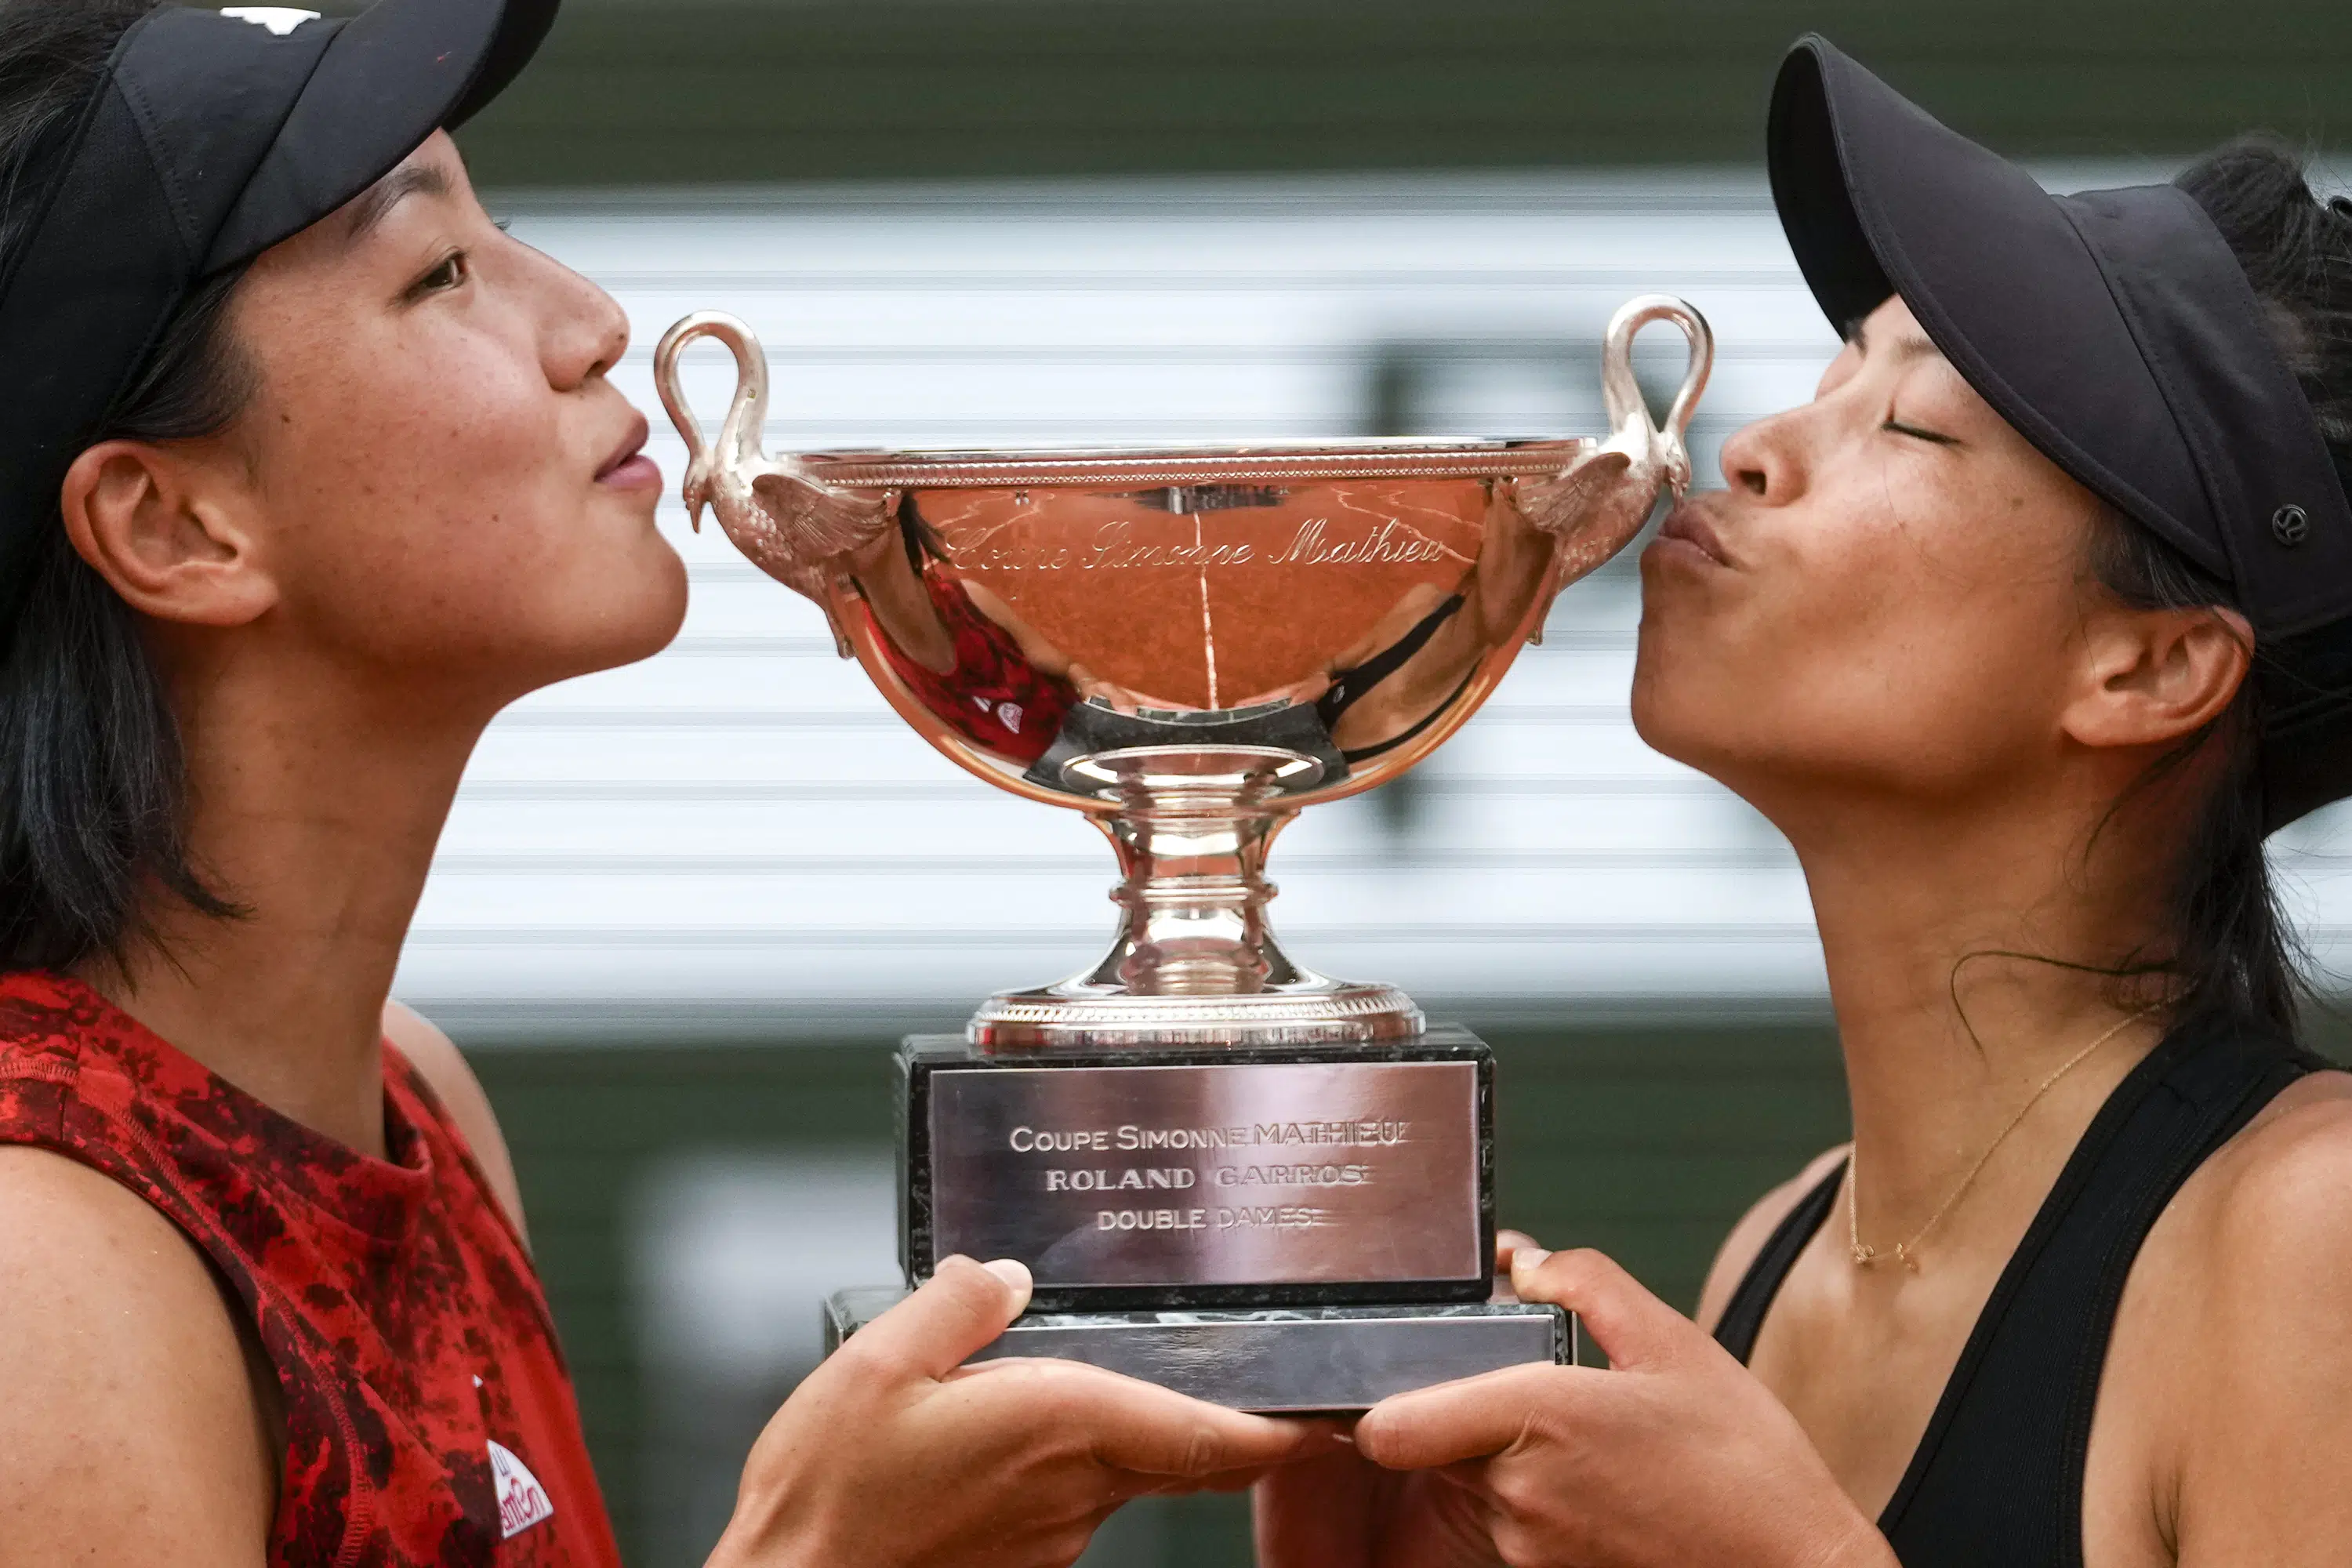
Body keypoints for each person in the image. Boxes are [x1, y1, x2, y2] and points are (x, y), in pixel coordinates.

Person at [0, 3, 1325, 1565]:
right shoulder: (44, 1260)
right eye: (437, 272)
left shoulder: (414, 1099)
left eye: (514, 232)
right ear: (174, 528)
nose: (591, 319)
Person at [1258, 35, 2352, 1568]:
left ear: (2153, 668)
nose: (1754, 449)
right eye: (1832, 377)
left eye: (1910, 423)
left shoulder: (2316, 1230)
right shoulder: (1779, 1253)